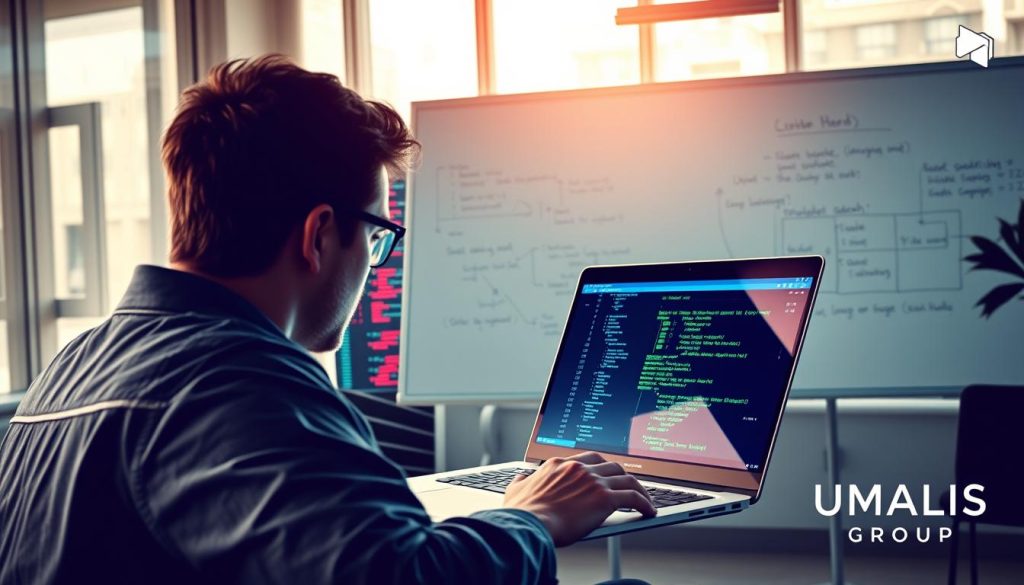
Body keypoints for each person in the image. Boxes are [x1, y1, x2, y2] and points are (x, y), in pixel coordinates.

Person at [0, 54, 655, 584]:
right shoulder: (242, 382)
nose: (373, 264)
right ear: (318, 234)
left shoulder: (75, 361)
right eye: (374, 236)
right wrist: (533, 517)